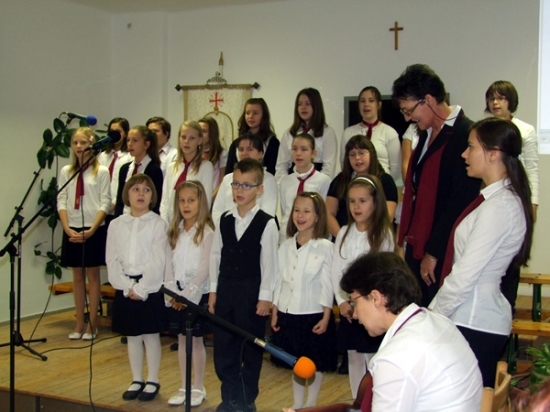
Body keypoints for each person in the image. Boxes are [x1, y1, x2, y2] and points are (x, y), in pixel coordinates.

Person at [429, 117, 534, 387]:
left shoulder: (500, 206)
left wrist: (432, 316)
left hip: (475, 319)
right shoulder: (495, 200)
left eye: (471, 147)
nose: (464, 154)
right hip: (470, 315)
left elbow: (466, 274)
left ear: (494, 153)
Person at [392, 64, 481, 307]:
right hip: (420, 244)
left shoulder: (465, 134)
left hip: (443, 249)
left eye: (409, 110)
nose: (407, 118)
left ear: (429, 100)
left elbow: (460, 201)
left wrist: (433, 252)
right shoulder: (425, 134)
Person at [208, 158, 279, 412]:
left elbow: (270, 264)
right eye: (236, 184)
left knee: (249, 348)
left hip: (251, 293)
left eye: (247, 185)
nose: (240, 190)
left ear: (260, 189)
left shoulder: (267, 222)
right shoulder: (224, 219)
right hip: (226, 291)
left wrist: (265, 297)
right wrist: (213, 291)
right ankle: (229, 397)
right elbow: (215, 256)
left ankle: (246, 399)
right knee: (224, 348)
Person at [271, 192, 337, 409]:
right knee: (296, 363)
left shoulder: (326, 247)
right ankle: (298, 405)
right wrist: (275, 310)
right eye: (297, 211)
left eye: (306, 211)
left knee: (314, 363)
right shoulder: (285, 246)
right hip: (288, 312)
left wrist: (326, 315)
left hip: (313, 314)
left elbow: (327, 284)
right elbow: (279, 280)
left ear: (317, 216)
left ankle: (311, 404)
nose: (300, 216)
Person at [331, 176, 394, 399]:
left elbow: (381, 275)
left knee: (372, 359)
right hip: (350, 308)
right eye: (352, 201)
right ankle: (357, 401)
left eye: (362, 201)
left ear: (375, 202)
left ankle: (374, 402)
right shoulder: (344, 232)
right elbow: (337, 269)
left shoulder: (382, 234)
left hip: (371, 309)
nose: (356, 207)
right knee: (354, 357)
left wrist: (363, 304)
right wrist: (342, 302)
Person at [106, 174, 167, 402]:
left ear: (152, 197)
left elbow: (158, 260)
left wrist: (141, 287)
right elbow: (111, 259)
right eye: (136, 189)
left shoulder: (158, 224)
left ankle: (152, 379)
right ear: (127, 194)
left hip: (148, 286)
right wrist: (126, 285)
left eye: (146, 190)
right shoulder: (116, 225)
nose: (141, 194)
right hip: (125, 285)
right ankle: (136, 378)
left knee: (150, 334)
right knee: (132, 335)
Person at [484, 80, 539, 311]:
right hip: (490, 199)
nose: (496, 103)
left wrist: (533, 204)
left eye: (501, 98)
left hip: (517, 198)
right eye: (492, 98)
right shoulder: (482, 130)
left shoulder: (525, 130)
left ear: (511, 101)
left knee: (512, 259)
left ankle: (508, 308)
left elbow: (532, 169)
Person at [164, 180, 214, 407]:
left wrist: (187, 296)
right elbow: (168, 265)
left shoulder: (207, 233)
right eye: (182, 201)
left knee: (196, 340)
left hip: (195, 294)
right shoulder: (174, 232)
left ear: (200, 203)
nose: (186, 205)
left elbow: (205, 269)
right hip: (177, 293)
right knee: (182, 339)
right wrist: (173, 293)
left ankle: (198, 386)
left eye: (191, 200)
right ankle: (184, 385)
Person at [57, 127, 110, 340]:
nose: (79, 147)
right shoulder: (67, 171)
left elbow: (105, 202)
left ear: (91, 143)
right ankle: (79, 322)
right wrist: (66, 227)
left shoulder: (101, 171)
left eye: (83, 143)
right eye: (75, 143)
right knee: (77, 276)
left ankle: (92, 324)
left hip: (93, 228)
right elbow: (61, 199)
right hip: (72, 227)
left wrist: (92, 229)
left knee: (93, 275)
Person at [327, 135, 398, 238]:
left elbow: (387, 216)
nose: (357, 158)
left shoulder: (385, 181)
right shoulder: (340, 180)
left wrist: (363, 239)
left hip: (374, 238)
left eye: (362, 153)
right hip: (343, 238)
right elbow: (328, 214)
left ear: (372, 154)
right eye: (352, 154)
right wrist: (343, 238)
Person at [212, 133, 278, 226]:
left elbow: (268, 212)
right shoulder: (227, 178)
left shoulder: (268, 179)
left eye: (250, 149)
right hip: (226, 229)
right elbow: (217, 210)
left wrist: (243, 230)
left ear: (260, 154)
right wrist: (226, 229)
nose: (244, 153)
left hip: (255, 231)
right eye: (241, 149)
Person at [341, 86, 402, 184]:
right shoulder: (348, 132)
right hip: (356, 184)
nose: (366, 104)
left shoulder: (389, 132)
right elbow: (344, 163)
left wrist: (384, 183)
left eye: (371, 100)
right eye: (362, 101)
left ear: (379, 105)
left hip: (382, 184)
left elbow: (396, 168)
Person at [276, 88, 337, 182]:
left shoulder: (327, 132)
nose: (303, 107)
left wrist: (314, 185)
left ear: (316, 106)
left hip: (317, 181)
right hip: (293, 180)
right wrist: (285, 184)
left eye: (307, 104)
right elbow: (281, 165)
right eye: (300, 104)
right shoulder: (289, 133)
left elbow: (328, 168)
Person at [279, 133, 331, 244]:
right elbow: (285, 211)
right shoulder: (286, 181)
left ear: (313, 153)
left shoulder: (323, 180)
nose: (298, 153)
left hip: (313, 237)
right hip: (287, 237)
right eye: (294, 149)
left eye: (304, 149)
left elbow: (324, 214)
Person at [159, 121, 214, 224]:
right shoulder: (172, 167)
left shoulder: (205, 167)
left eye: (192, 138)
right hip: (171, 224)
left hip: (194, 225)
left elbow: (205, 202)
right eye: (183, 137)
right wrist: (165, 224)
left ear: (199, 140)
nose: (186, 141)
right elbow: (165, 201)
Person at [114, 126, 163, 217]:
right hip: (125, 218)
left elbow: (155, 202)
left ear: (146, 144)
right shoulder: (125, 168)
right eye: (128, 140)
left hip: (145, 219)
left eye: (135, 140)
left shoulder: (154, 170)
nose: (130, 144)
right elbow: (120, 200)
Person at [225, 98, 279, 176]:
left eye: (255, 113)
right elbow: (229, 172)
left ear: (264, 115)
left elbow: (273, 171)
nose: (251, 116)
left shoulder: (272, 143)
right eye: (247, 113)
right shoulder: (236, 143)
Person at [98, 118, 133, 223]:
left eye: (118, 131)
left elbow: (126, 184)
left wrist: (114, 202)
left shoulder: (130, 157)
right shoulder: (102, 156)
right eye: (112, 131)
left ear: (126, 134)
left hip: (117, 207)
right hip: (100, 207)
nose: (114, 134)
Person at [198, 117, 227, 199]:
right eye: (198, 131)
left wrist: (211, 198)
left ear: (212, 134)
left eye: (204, 131)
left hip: (213, 196)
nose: (200, 134)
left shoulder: (221, 154)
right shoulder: (194, 152)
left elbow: (222, 181)